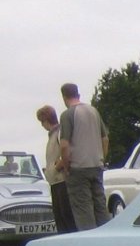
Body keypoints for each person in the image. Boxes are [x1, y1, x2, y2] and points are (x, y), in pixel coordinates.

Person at [57, 83, 110, 229]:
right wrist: (102, 159)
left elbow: (64, 145)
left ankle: (88, 245)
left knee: (83, 210)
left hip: (78, 168)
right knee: (100, 207)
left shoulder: (67, 115)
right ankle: (105, 239)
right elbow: (105, 139)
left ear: (64, 96)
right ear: (78, 94)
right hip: (96, 165)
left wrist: (66, 166)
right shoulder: (93, 111)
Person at [36, 104, 76, 233]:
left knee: (66, 217)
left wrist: (56, 168)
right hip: (55, 182)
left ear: (46, 120)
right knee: (59, 217)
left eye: (42, 122)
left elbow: (67, 152)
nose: (42, 125)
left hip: (62, 181)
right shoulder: (52, 135)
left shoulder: (59, 133)